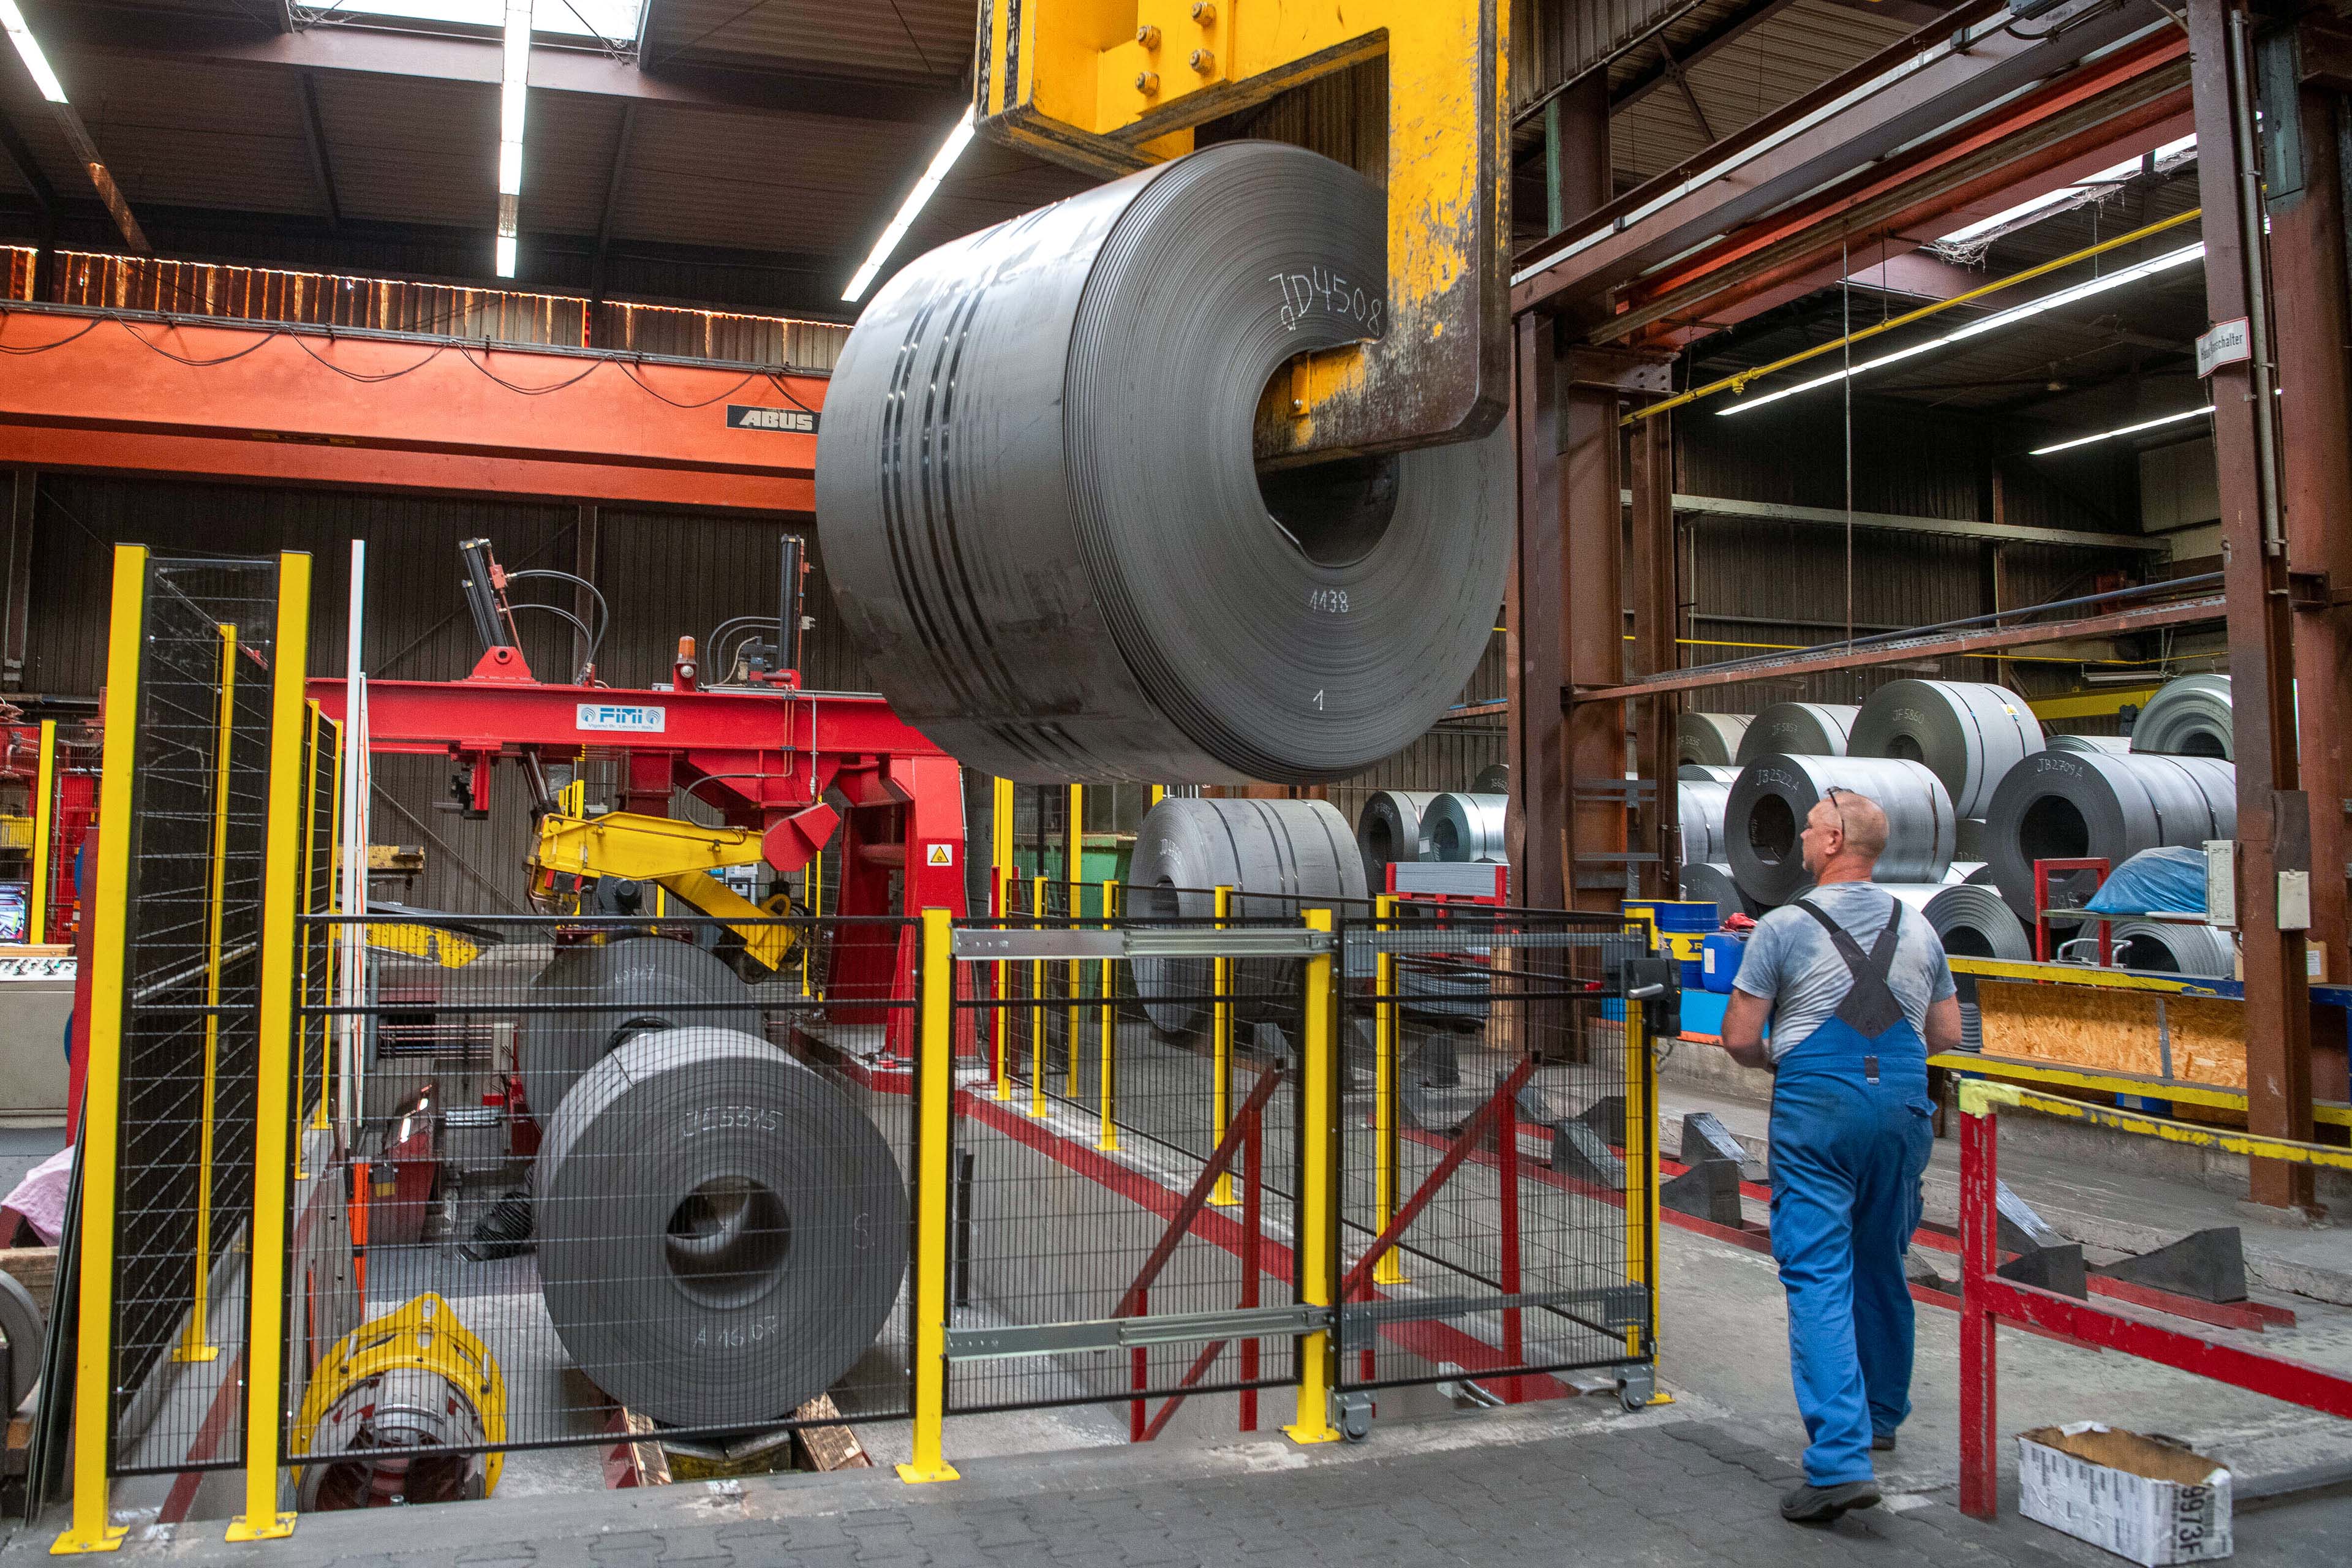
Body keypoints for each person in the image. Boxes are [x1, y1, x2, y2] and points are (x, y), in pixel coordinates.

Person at [1719, 786, 1964, 1525]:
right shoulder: (1919, 928)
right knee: (1881, 1259)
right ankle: (1882, 1415)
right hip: (1901, 1107)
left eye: (1808, 827)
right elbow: (1947, 1034)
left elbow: (1737, 1034)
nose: (1798, 836)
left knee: (1819, 1271)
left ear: (1832, 842)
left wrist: (1775, 1060)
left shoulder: (1783, 926)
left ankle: (1839, 1463)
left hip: (1818, 1107)